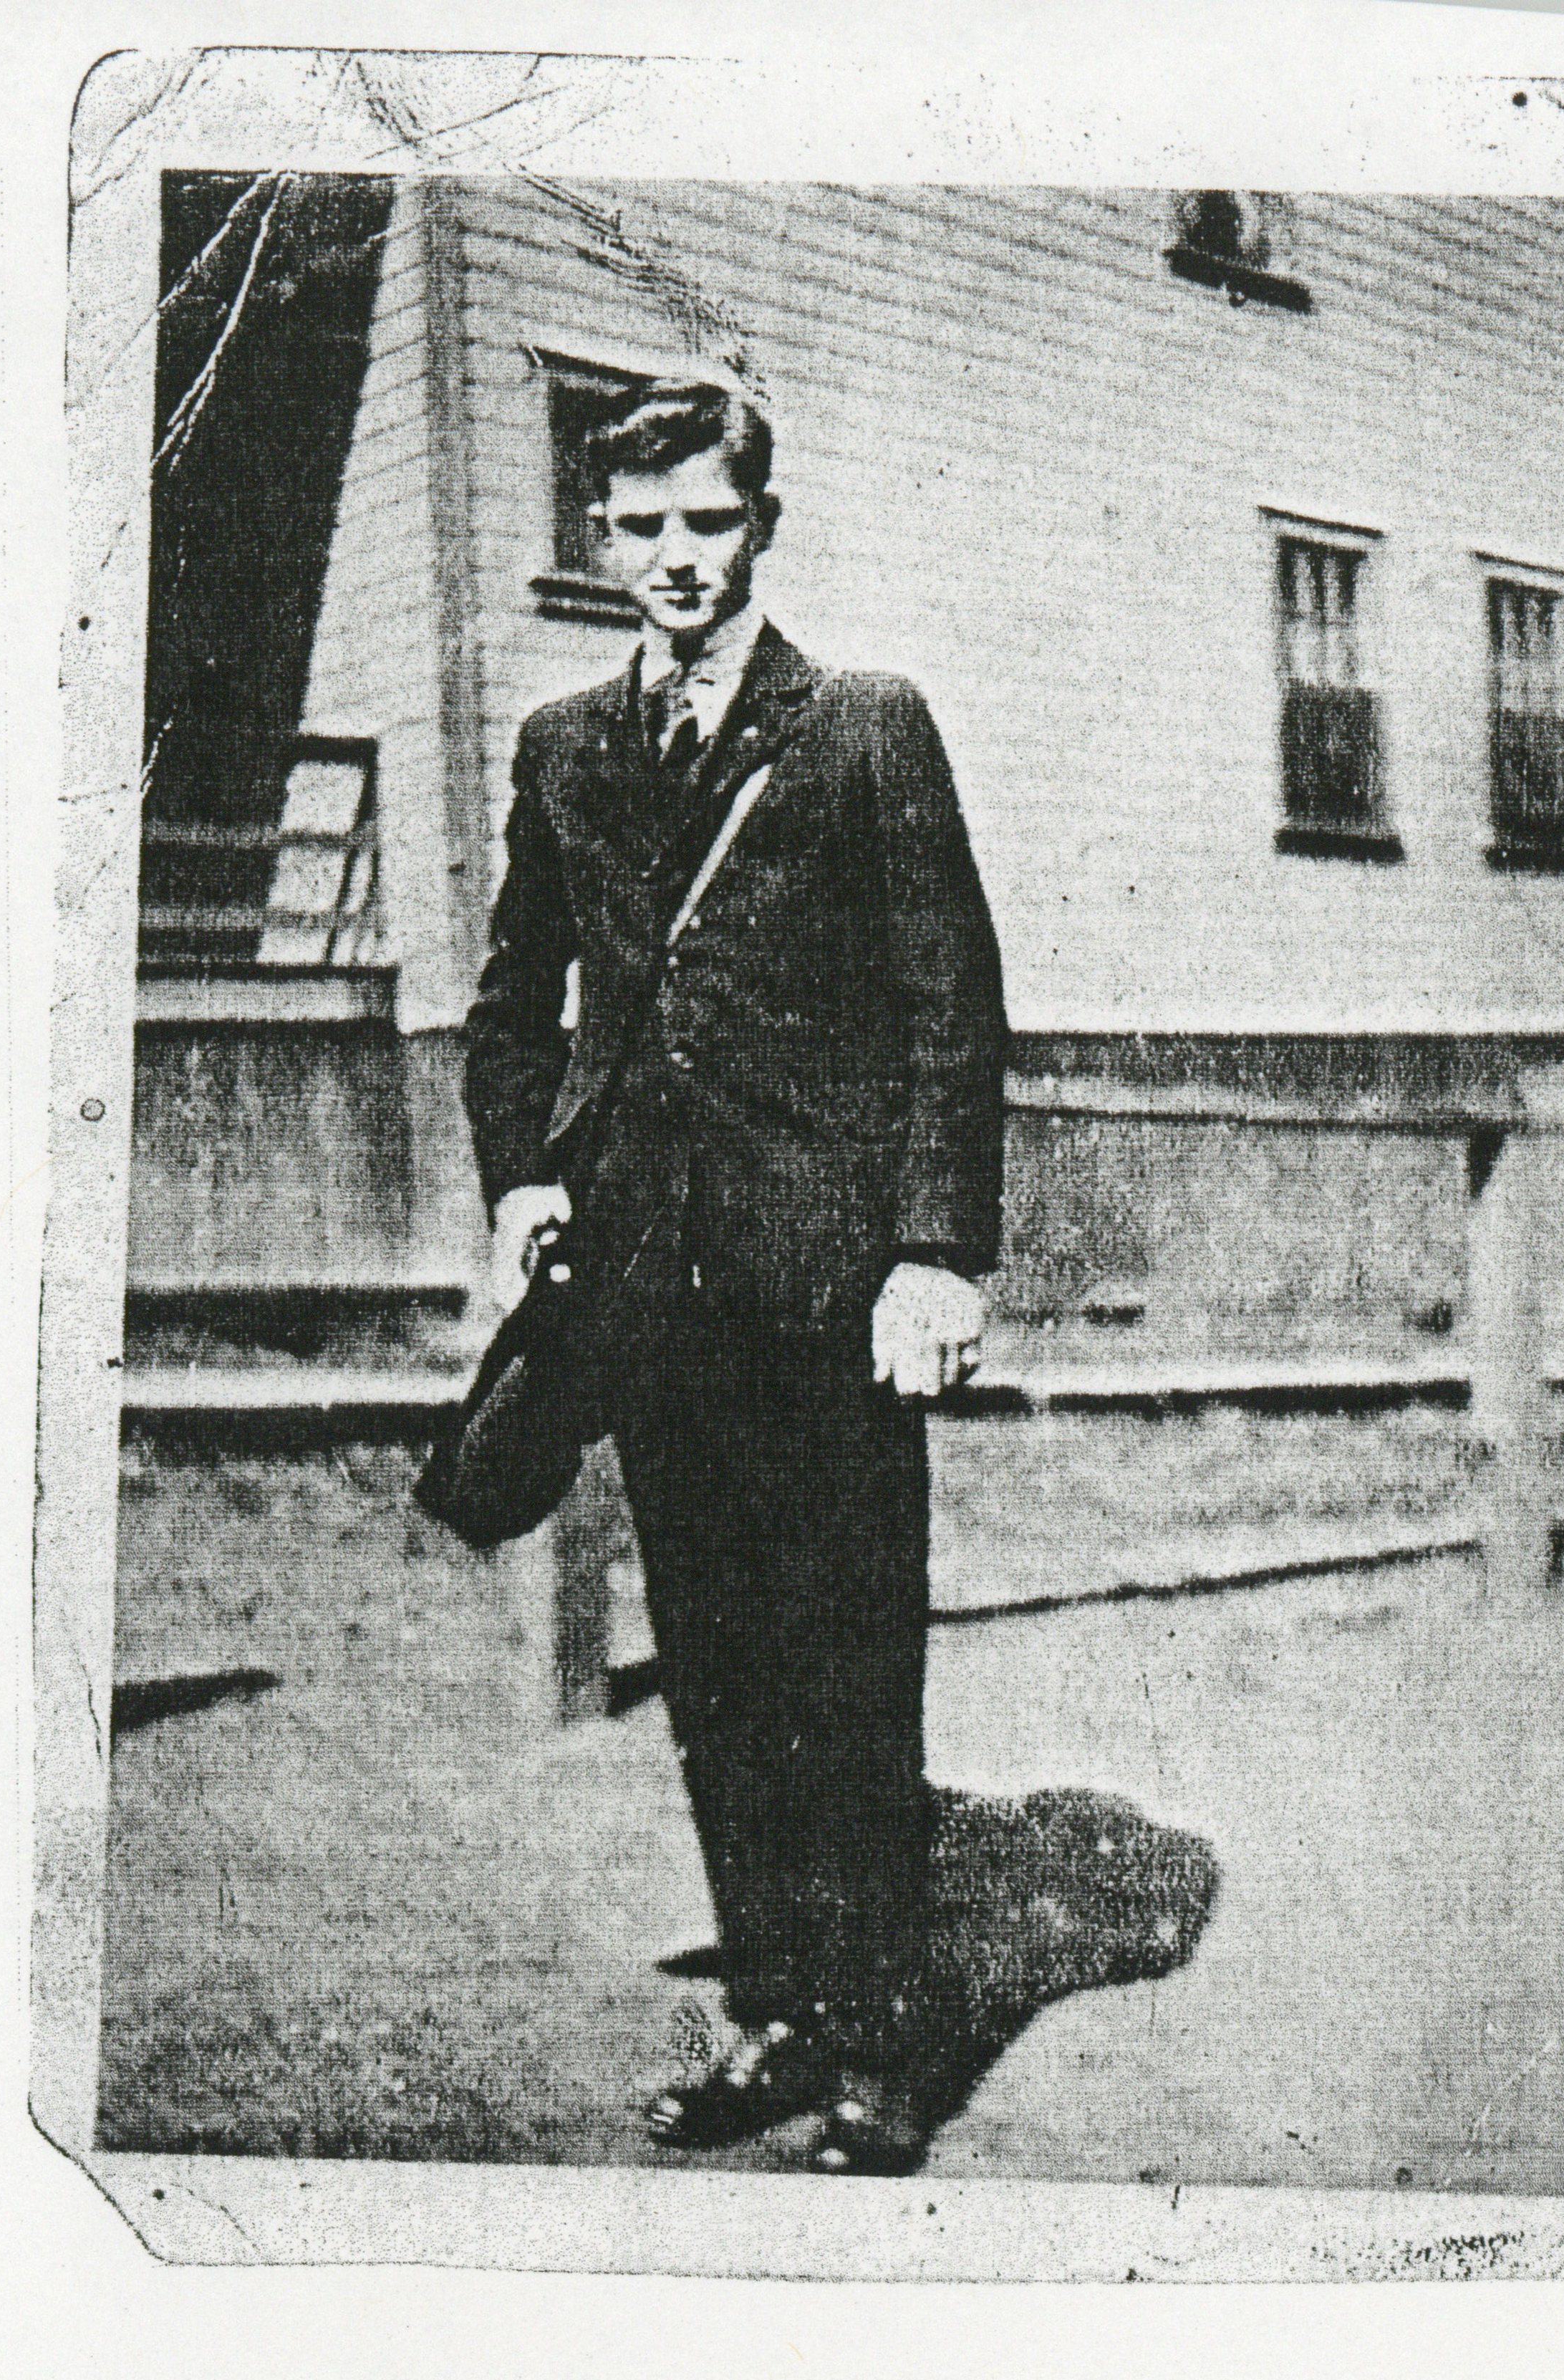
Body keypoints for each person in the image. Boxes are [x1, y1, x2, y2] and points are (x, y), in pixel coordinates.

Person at [462, 379, 1006, 2174]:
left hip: (830, 1292)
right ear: (600, 537)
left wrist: (933, 1253)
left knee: (847, 1668)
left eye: (709, 520)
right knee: (714, 1671)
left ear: (759, 525)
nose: (678, 558)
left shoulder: (859, 727)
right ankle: (777, 2012)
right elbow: (511, 997)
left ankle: (883, 2046)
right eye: (643, 527)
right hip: (650, 1290)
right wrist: (522, 1175)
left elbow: (949, 1007)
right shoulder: (563, 745)